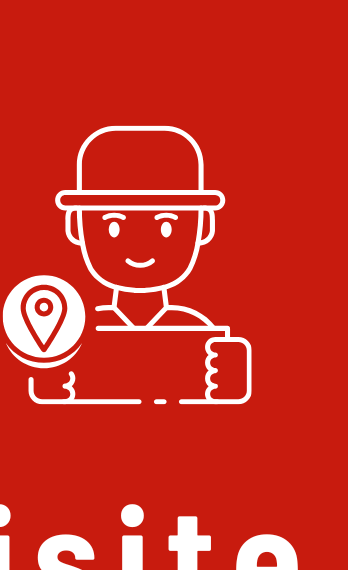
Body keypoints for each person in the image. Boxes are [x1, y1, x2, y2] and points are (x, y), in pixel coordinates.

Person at [19, 125, 252, 405]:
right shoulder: (72, 334)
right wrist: (49, 383)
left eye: (166, 226)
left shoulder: (195, 333)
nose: (140, 248)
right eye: (114, 227)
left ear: (204, 227)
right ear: (75, 227)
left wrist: (230, 387)